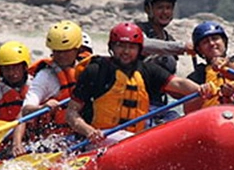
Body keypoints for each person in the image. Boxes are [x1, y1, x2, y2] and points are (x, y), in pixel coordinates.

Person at [66, 22, 213, 146]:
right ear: (112, 47)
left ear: (139, 50)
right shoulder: (96, 70)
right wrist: (89, 131)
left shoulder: (148, 70)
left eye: (131, 47)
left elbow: (178, 83)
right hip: (102, 138)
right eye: (120, 46)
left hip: (134, 139)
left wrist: (201, 89)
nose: (126, 51)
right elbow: (72, 113)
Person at [9, 20, 91, 155]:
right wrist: (42, 108)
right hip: (56, 141)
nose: (61, 56)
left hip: (85, 135)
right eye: (57, 51)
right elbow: (25, 111)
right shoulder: (45, 76)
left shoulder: (88, 70)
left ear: (77, 49)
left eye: (65, 51)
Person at [136, 0, 192, 124]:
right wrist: (182, 47)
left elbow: (170, 85)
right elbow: (144, 45)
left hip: (159, 104)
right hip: (137, 100)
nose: (165, 12)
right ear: (148, 9)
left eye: (168, 8)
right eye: (160, 8)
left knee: (176, 119)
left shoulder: (169, 39)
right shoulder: (138, 30)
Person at [185, 21, 234, 111]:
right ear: (199, 49)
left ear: (224, 41)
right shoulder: (197, 76)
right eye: (205, 42)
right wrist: (201, 95)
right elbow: (188, 110)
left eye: (215, 39)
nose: (211, 43)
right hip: (211, 116)